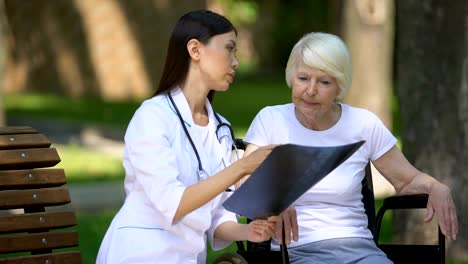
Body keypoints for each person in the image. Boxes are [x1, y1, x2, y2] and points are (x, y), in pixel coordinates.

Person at [242, 32, 458, 263]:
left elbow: (406, 180)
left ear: (339, 86)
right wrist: (274, 204)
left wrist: (435, 187)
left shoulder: (362, 124)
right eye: (303, 78)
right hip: (292, 252)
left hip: (358, 248)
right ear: (291, 77)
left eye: (324, 82)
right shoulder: (271, 119)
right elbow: (244, 181)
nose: (311, 90)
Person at [96, 10, 278, 264]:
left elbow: (219, 217)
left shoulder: (220, 128)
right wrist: (242, 167)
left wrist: (249, 231)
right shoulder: (152, 117)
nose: (236, 62)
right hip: (141, 253)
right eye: (229, 49)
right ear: (195, 50)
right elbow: (173, 203)